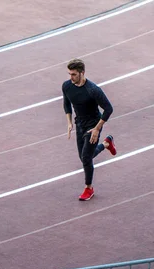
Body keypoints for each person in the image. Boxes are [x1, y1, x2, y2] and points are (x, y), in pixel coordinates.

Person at [62, 59, 117, 201]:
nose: (71, 77)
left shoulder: (93, 90)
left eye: (74, 74)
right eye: (69, 74)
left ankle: (89, 188)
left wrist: (97, 129)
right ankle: (106, 144)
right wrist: (69, 122)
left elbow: (108, 109)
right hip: (80, 124)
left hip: (93, 125)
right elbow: (67, 103)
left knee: (86, 158)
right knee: (84, 157)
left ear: (82, 73)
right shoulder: (67, 86)